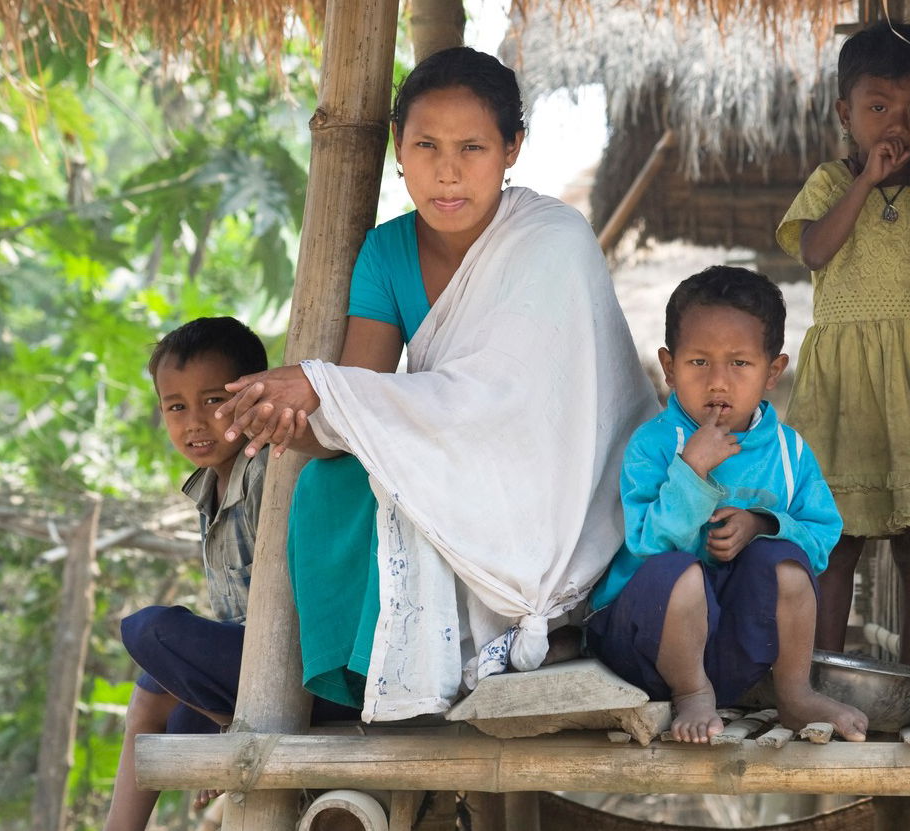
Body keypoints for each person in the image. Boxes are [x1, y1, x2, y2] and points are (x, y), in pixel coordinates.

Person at [215, 47, 653, 721]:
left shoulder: (552, 238)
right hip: (453, 450)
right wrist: (290, 415)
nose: (446, 172)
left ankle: (535, 635)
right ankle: (370, 678)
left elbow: (514, 405)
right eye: (425, 145)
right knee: (325, 485)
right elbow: (357, 408)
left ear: (512, 148)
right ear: (397, 146)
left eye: (472, 147)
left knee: (408, 484)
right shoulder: (387, 252)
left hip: (555, 484)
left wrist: (321, 387)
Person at [584, 266, 867, 743]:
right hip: (646, 650)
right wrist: (691, 472)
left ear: (773, 372)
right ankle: (693, 694)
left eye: (739, 364)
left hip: (737, 653)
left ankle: (795, 693)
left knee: (787, 564)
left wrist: (762, 524)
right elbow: (649, 543)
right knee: (680, 571)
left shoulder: (788, 451)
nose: (718, 382)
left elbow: (822, 538)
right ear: (669, 368)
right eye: (698, 363)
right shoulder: (653, 444)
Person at [104, 317, 355, 831]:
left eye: (215, 400)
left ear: (255, 395)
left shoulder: (274, 466)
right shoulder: (208, 490)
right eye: (176, 407)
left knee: (147, 631)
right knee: (165, 710)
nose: (195, 421)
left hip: (319, 678)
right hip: (254, 670)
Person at [776, 22, 910, 669]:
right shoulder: (831, 184)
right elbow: (813, 249)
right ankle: (824, 669)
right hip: (848, 392)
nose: (896, 124)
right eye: (878, 107)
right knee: (840, 542)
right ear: (844, 112)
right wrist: (864, 183)